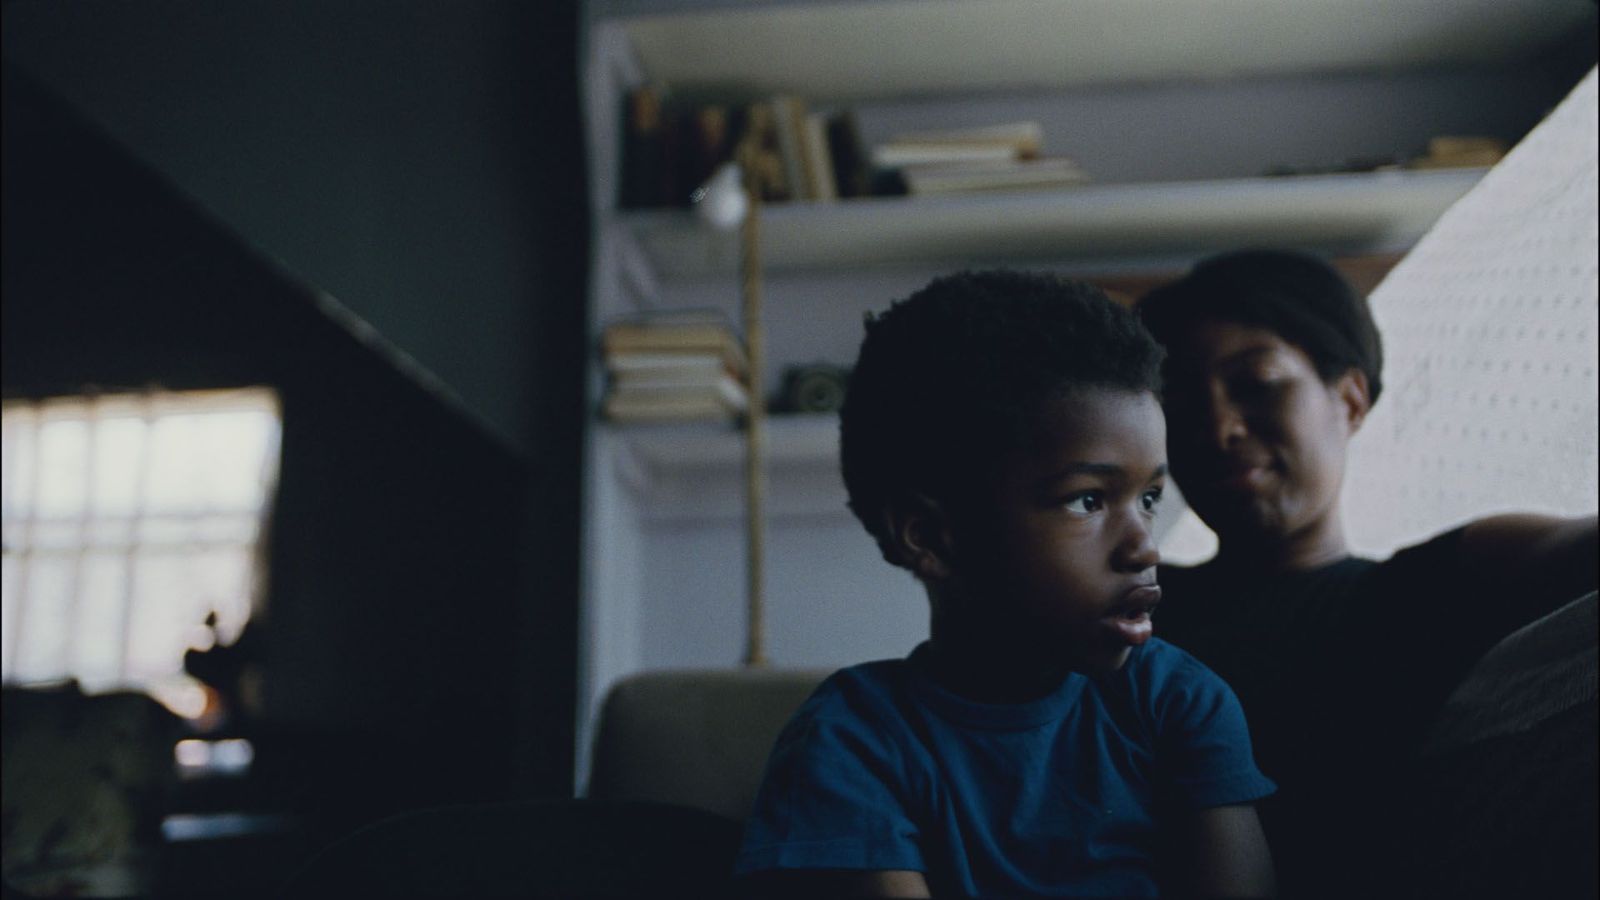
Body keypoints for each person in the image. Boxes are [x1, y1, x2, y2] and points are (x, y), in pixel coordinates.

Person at [735, 270, 1278, 898]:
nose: (1143, 546)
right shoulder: (853, 741)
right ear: (931, 538)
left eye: (1150, 496)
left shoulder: (1179, 704)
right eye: (1087, 501)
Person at [1137, 248, 1599, 896]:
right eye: (1180, 401)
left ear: (1350, 399)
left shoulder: (1434, 584)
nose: (1219, 428)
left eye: (1257, 383)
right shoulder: (1128, 603)